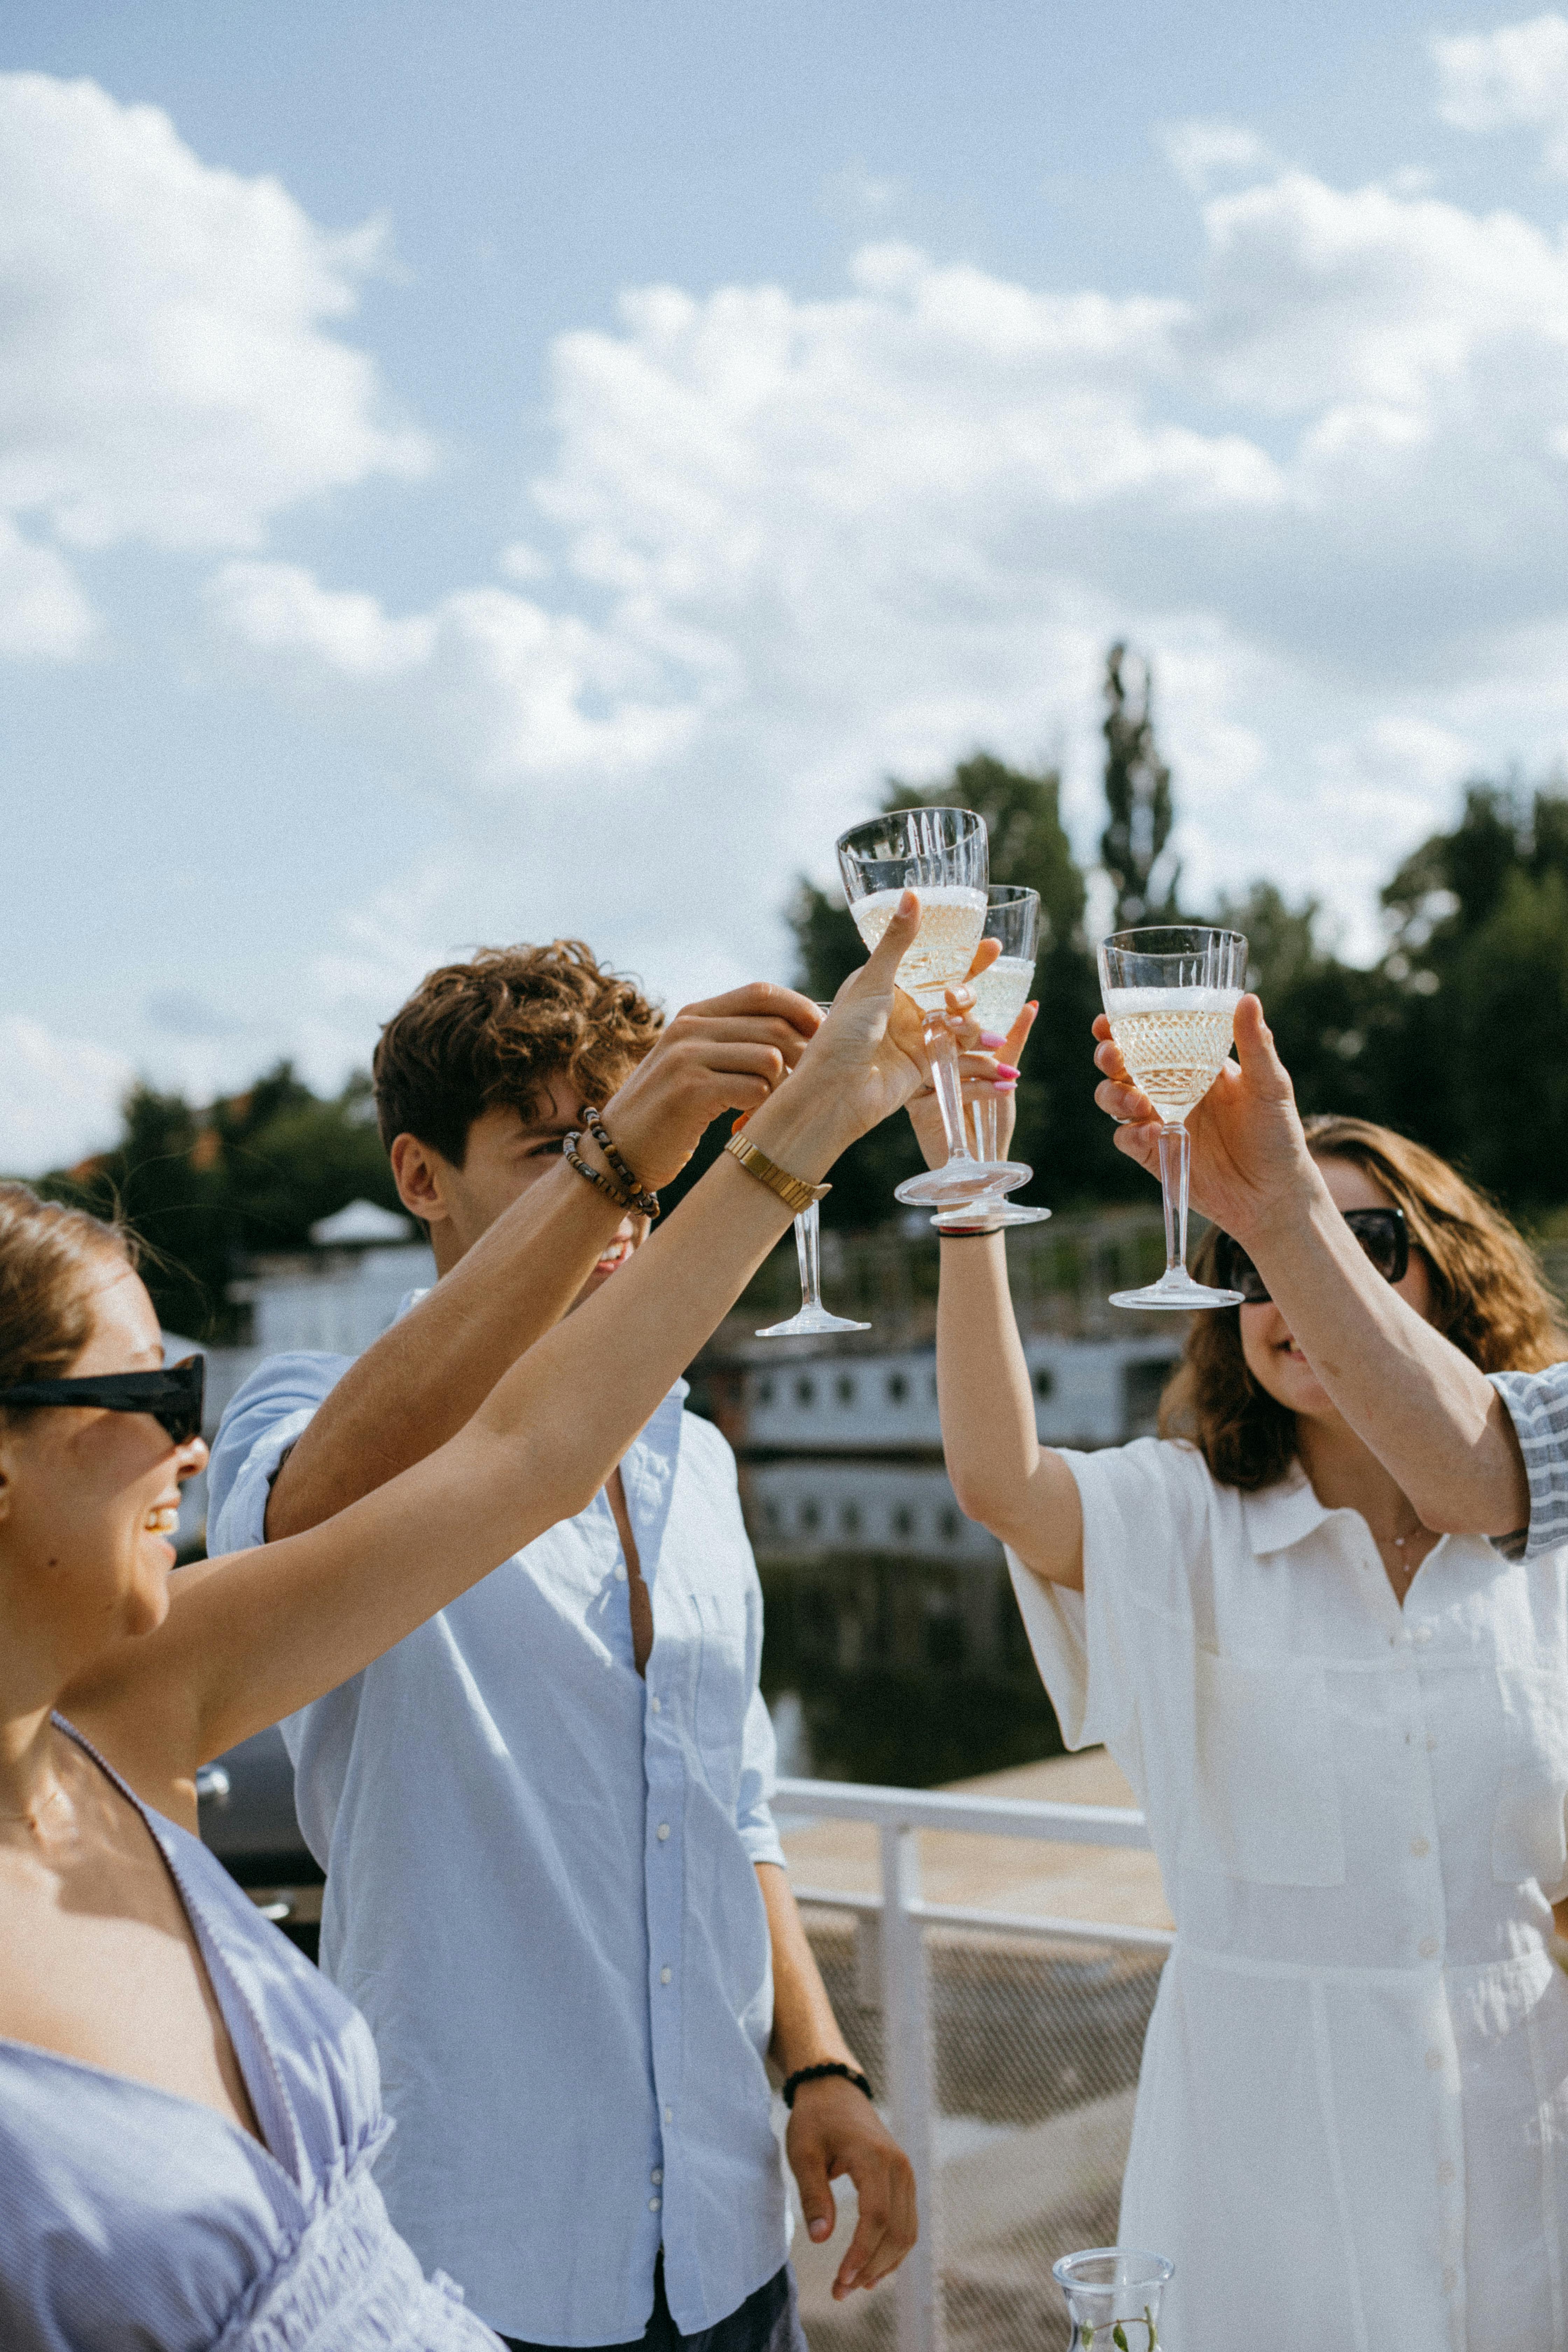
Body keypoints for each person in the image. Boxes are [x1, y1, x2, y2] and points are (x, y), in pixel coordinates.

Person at [0, 894, 943, 2352]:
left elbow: (726, 1801)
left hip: (722, 2229)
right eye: (562, 1156)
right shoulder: (301, 1416)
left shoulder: (694, 1458)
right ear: (418, 1178)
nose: (621, 1206)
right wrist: (688, 1153)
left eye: (631, 1162)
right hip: (479, 2244)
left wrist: (821, 2066)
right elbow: (427, 1482)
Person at [916, 1037, 1568, 2348]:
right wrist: (969, 1206)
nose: (1289, 1292)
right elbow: (1001, 1482)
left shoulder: (1544, 1539)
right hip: (1267, 2144)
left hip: (1528, 2124)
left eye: (1353, 1243)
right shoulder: (1182, 1523)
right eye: (1253, 1263)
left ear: (1447, 1270)